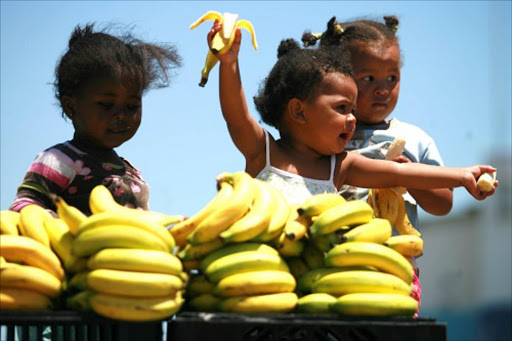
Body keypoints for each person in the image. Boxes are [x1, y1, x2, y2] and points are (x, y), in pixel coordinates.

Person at [209, 20, 496, 206]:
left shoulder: (341, 166)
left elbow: (399, 171)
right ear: (299, 110)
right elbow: (236, 114)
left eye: (353, 109)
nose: (352, 118)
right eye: (342, 108)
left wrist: (461, 175)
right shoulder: (264, 153)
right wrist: (229, 62)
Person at [301, 15, 460, 316]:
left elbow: (443, 203)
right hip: (330, 265)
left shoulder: (414, 139)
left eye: (392, 77)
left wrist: (411, 177)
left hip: (393, 268)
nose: (383, 89)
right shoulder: (322, 137)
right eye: (368, 78)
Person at [9, 23, 181, 215]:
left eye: (131, 106)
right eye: (107, 105)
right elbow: (23, 205)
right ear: (71, 106)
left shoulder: (132, 173)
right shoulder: (59, 160)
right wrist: (68, 228)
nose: (121, 115)